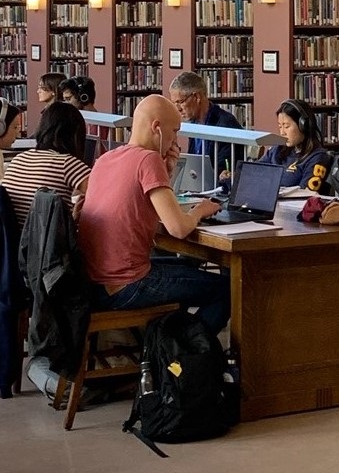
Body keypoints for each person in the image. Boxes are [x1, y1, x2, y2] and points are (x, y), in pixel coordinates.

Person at [77, 93, 228, 332]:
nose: (175, 139)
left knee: (190, 268)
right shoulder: (147, 159)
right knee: (227, 288)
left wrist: (167, 173)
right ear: (157, 128)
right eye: (174, 131)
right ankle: (183, 355)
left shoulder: (106, 158)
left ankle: (169, 340)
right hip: (127, 284)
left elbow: (139, 206)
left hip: (93, 283)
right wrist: (200, 210)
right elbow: (178, 229)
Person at [2, 101, 91, 224]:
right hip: (45, 242)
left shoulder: (18, 158)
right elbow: (102, 196)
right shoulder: (67, 163)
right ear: (75, 135)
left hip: (16, 240)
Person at [267, 99, 332, 192]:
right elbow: (255, 173)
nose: (282, 132)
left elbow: (306, 193)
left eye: (286, 126)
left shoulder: (318, 157)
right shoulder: (276, 150)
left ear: (303, 126)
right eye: (280, 126)